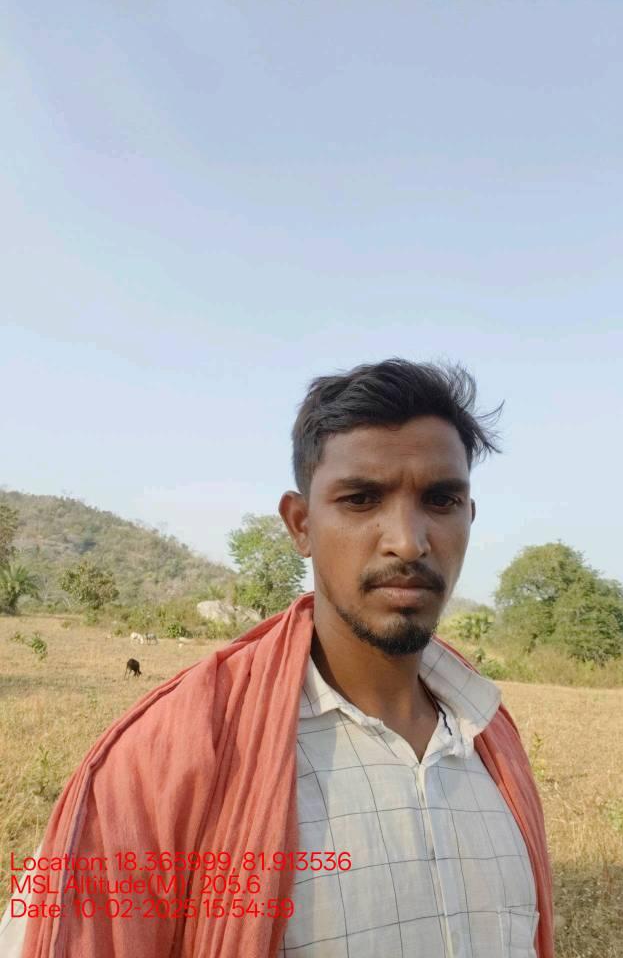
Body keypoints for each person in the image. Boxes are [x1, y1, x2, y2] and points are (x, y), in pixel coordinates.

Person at [2, 357, 553, 958]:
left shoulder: (491, 739)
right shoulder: (169, 755)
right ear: (300, 524)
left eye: (441, 499)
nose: (408, 540)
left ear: (468, 517)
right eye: (361, 499)